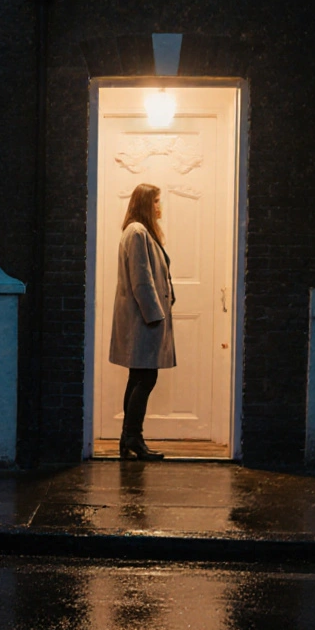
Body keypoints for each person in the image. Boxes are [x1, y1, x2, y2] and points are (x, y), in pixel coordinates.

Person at [108, 183, 175, 461]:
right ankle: (133, 437)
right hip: (144, 320)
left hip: (143, 319)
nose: (160, 207)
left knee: (139, 377)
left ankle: (129, 438)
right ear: (146, 204)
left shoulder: (140, 232)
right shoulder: (137, 233)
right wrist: (155, 315)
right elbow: (142, 280)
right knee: (145, 377)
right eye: (156, 201)